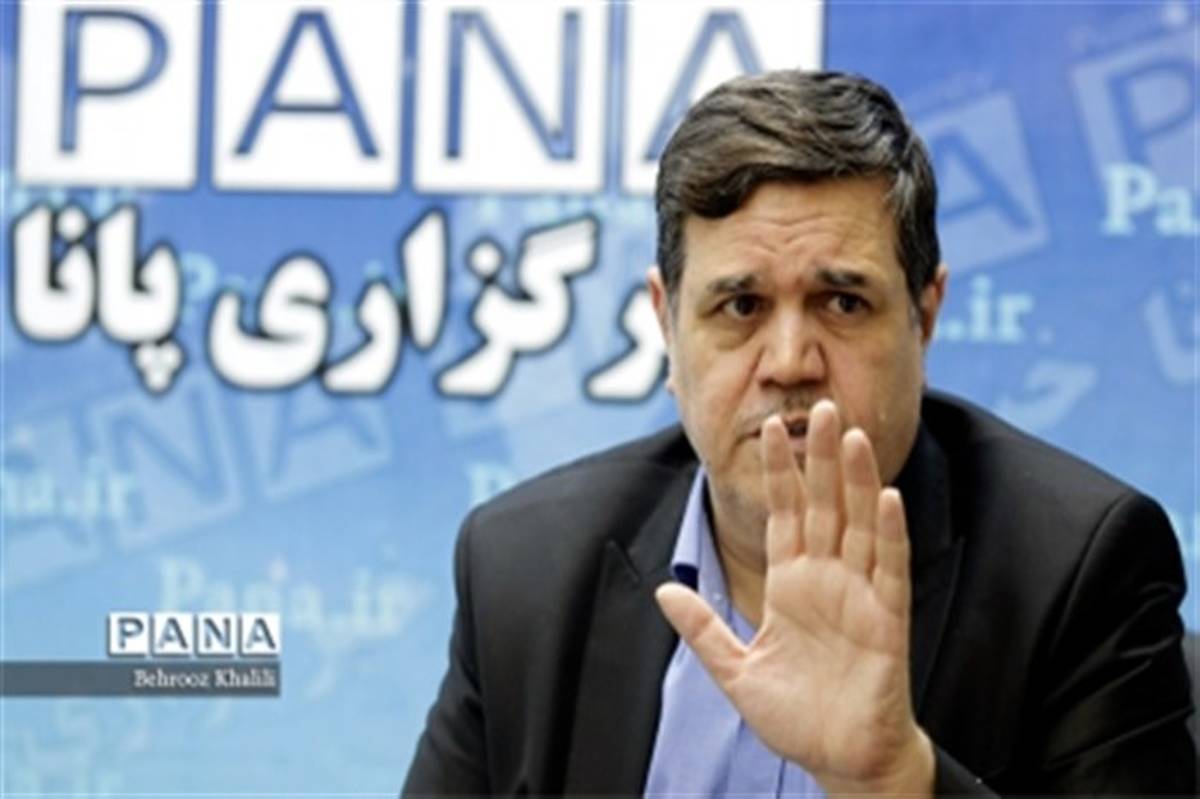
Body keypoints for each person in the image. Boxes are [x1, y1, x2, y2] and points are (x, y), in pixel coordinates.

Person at [403, 70, 1195, 795]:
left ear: (924, 317)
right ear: (666, 327)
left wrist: (894, 777)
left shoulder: (1078, 573)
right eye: (740, 306)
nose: (789, 362)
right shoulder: (524, 571)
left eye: (842, 302)